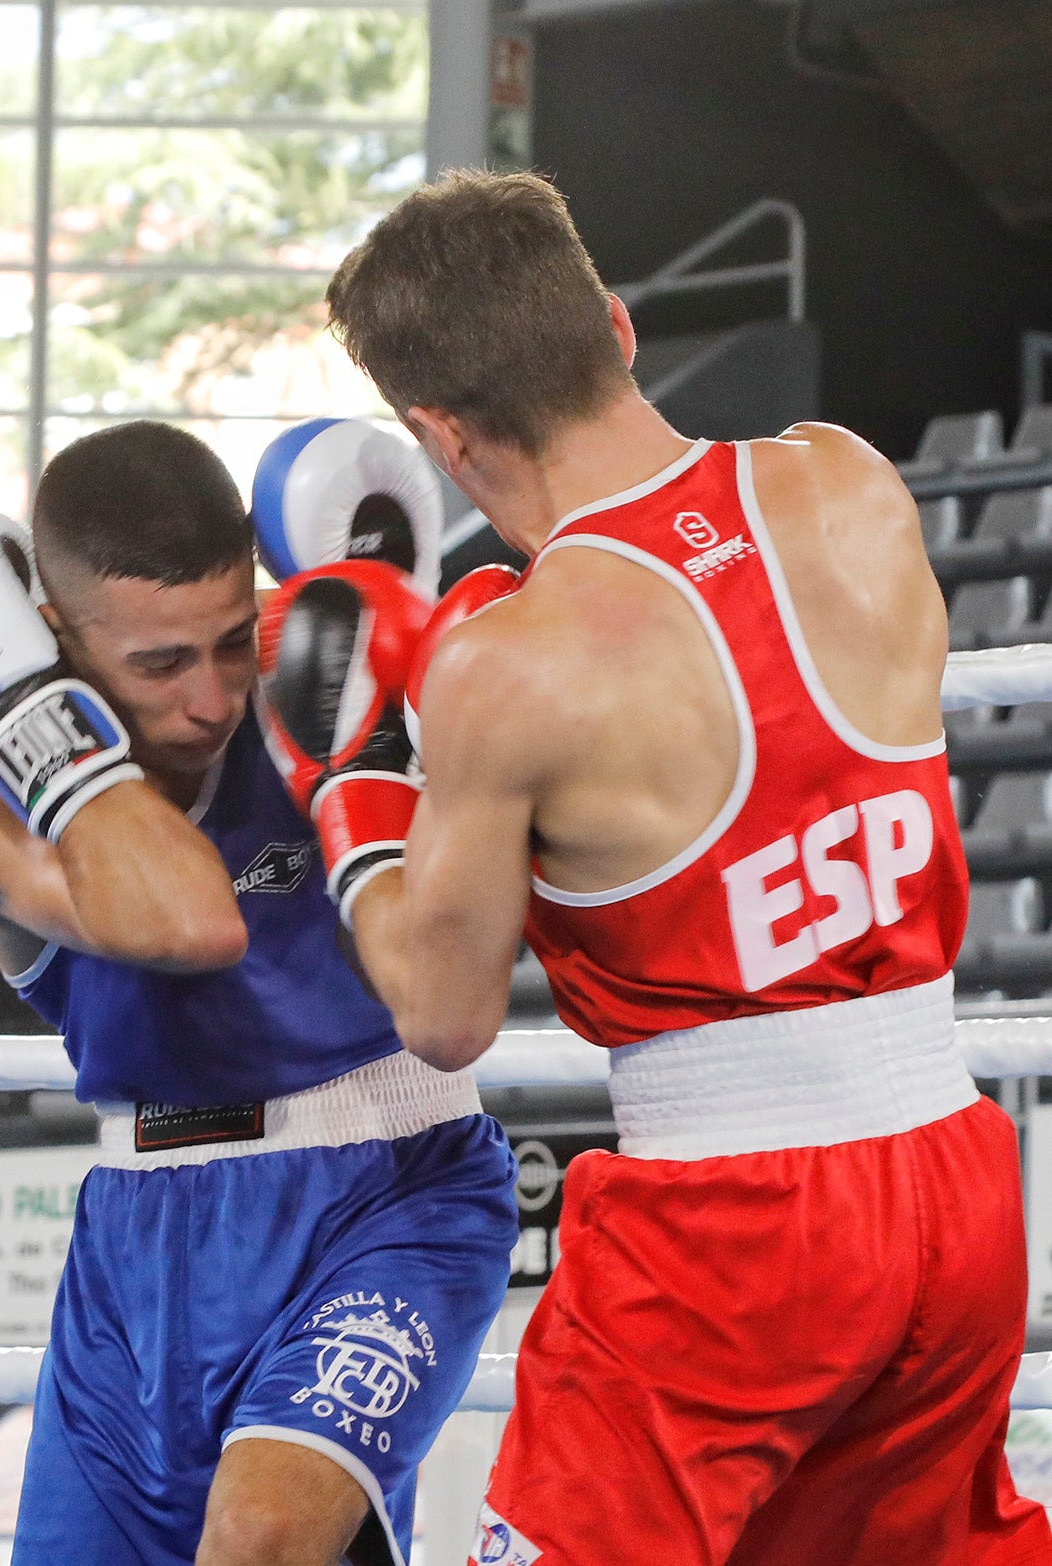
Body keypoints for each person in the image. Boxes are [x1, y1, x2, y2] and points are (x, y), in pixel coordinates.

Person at [257, 169, 1052, 1564]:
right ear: (617, 328)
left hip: (734, 1231)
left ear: (438, 433)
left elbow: (439, 1013)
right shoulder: (849, 480)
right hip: (953, 1179)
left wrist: (351, 783)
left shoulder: (512, 656)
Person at [0, 418, 518, 1566]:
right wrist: (35, 722)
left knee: (262, 1537)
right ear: (51, 636)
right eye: (160, 663)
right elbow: (189, 922)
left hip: (387, 1194)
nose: (211, 699)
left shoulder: (321, 674)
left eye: (228, 642)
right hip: (140, 1246)